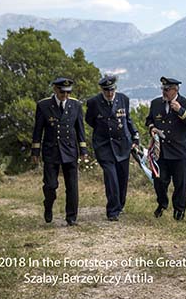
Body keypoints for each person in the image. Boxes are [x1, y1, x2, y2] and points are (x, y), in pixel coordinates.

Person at [31, 77, 88, 226]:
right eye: (62, 92)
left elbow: (80, 129)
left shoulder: (75, 105)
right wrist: (35, 151)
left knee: (72, 186)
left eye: (68, 92)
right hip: (51, 150)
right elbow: (38, 130)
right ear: (55, 90)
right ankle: (48, 205)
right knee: (50, 185)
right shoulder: (43, 105)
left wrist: (83, 149)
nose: (65, 95)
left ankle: (71, 217)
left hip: (70, 150)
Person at [85, 75, 140, 221]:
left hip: (123, 144)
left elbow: (127, 119)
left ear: (115, 88)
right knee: (111, 178)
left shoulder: (124, 99)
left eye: (111, 90)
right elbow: (90, 120)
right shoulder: (93, 102)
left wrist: (135, 135)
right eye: (106, 90)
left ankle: (120, 205)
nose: (109, 93)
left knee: (122, 178)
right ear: (102, 90)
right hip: (104, 146)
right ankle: (112, 211)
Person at [145, 77, 186, 220]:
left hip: (179, 152)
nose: (164, 92)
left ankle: (179, 210)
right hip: (161, 152)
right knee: (159, 180)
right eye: (163, 89)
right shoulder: (156, 103)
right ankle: (162, 203)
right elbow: (149, 120)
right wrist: (152, 128)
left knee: (180, 184)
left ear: (176, 90)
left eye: (167, 89)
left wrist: (181, 111)